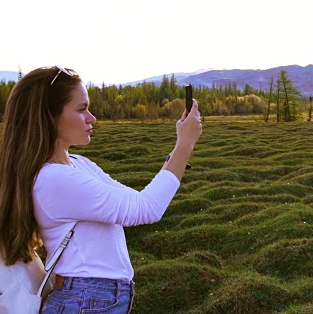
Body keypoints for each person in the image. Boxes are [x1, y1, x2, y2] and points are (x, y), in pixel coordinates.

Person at [0, 66, 202, 313]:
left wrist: (179, 151)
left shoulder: (79, 164)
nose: (92, 118)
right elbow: (146, 209)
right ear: (49, 117)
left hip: (93, 299)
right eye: (82, 109)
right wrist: (185, 143)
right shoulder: (54, 178)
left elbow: (137, 200)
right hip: (86, 300)